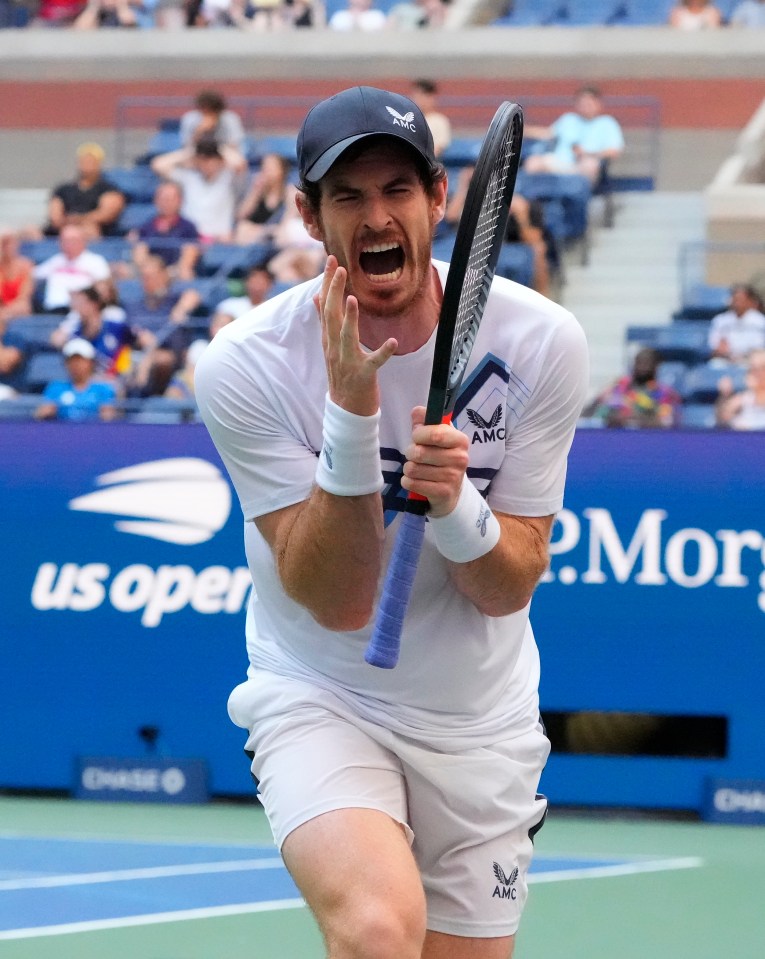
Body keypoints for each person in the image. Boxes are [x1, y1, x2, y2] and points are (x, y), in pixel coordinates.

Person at [195, 85, 588, 959]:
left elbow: (507, 585)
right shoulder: (245, 365)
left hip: (480, 721)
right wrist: (350, 414)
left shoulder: (540, 342)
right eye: (347, 195)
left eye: (396, 190)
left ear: (438, 198)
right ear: (308, 215)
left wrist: (456, 507)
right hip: (321, 690)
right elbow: (334, 602)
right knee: (377, 932)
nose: (376, 215)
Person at [150, 135, 249, 242]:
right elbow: (158, 164)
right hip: (191, 238)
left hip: (219, 240)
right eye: (203, 159)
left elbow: (241, 164)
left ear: (220, 160)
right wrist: (192, 150)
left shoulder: (228, 179)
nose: (207, 164)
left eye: (211, 158)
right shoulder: (189, 178)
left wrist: (218, 147)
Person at [523, 86, 624, 185]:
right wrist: (523, 130)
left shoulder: (607, 123)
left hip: (583, 165)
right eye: (582, 103)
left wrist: (587, 154)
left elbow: (614, 151)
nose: (585, 107)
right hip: (560, 162)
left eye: (589, 103)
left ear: (598, 104)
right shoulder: (568, 119)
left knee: (590, 165)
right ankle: (529, 198)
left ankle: (579, 197)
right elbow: (547, 134)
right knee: (533, 162)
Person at [42, 142, 126, 239]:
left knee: (89, 230)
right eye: (84, 161)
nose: (86, 164)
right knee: (28, 232)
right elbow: (55, 215)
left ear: (99, 163)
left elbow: (106, 214)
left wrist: (79, 220)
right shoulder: (63, 189)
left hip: (93, 230)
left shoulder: (109, 189)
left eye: (91, 161)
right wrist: (66, 223)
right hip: (62, 229)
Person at [583, 347, 681, 428]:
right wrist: (612, 417)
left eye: (647, 363)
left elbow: (667, 422)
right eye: (639, 362)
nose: (642, 367)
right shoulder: (620, 386)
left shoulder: (665, 393)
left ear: (656, 366)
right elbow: (590, 411)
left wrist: (637, 419)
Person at [50, 286, 135, 379]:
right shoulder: (76, 332)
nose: (77, 307)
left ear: (94, 304)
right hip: (89, 382)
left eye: (82, 303)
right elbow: (56, 341)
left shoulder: (115, 327)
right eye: (76, 303)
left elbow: (138, 340)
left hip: (116, 377)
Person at [35, 337, 118, 422]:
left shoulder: (103, 389)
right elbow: (42, 413)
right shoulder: (55, 387)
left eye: (81, 360)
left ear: (90, 363)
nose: (76, 365)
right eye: (72, 361)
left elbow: (108, 416)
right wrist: (46, 412)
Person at [131, 180, 201, 281]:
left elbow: (188, 259)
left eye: (170, 199)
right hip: (150, 271)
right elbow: (140, 256)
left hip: (175, 273)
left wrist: (166, 274)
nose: (166, 203)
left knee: (186, 273)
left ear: (180, 201)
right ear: (156, 200)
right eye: (163, 199)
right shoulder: (146, 226)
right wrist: (151, 269)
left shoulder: (188, 227)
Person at [33, 224, 112, 313]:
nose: (68, 244)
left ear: (83, 241)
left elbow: (104, 287)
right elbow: (33, 275)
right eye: (64, 241)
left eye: (72, 240)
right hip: (53, 310)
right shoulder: (56, 261)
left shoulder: (95, 261)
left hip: (81, 312)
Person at [234, 152, 293, 245]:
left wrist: (268, 230)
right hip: (255, 236)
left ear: (282, 170)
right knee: (242, 229)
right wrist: (255, 192)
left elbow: (288, 223)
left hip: (276, 235)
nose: (266, 170)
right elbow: (240, 216)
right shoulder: (258, 191)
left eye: (271, 167)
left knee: (283, 235)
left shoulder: (289, 192)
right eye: (264, 167)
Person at [707, 283, 765, 364]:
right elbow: (715, 347)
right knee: (715, 363)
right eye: (735, 299)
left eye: (741, 299)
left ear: (749, 301)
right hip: (727, 359)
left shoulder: (760, 321)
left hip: (751, 359)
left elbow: (760, 348)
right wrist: (721, 350)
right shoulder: (720, 320)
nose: (737, 303)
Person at [179, 89, 246, 151]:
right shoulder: (190, 118)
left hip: (224, 152)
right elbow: (186, 145)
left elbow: (235, 144)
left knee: (237, 161)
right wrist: (199, 132)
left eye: (211, 109)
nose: (208, 112)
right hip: (197, 153)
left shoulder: (230, 118)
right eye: (204, 108)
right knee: (170, 161)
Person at [716, 348, 765, 429]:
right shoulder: (741, 401)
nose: (758, 374)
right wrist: (725, 396)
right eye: (753, 369)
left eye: (762, 368)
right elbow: (721, 420)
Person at [408, 79, 452, 158]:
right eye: (416, 96)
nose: (418, 100)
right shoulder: (409, 119)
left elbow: (438, 149)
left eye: (422, 96)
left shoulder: (440, 121)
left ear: (431, 97)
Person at [0, 227, 34, 325]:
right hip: (2, 306)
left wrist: (5, 311)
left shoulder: (26, 265)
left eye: (10, 243)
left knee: (22, 306)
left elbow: (24, 297)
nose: (7, 247)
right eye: (4, 243)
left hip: (18, 306)